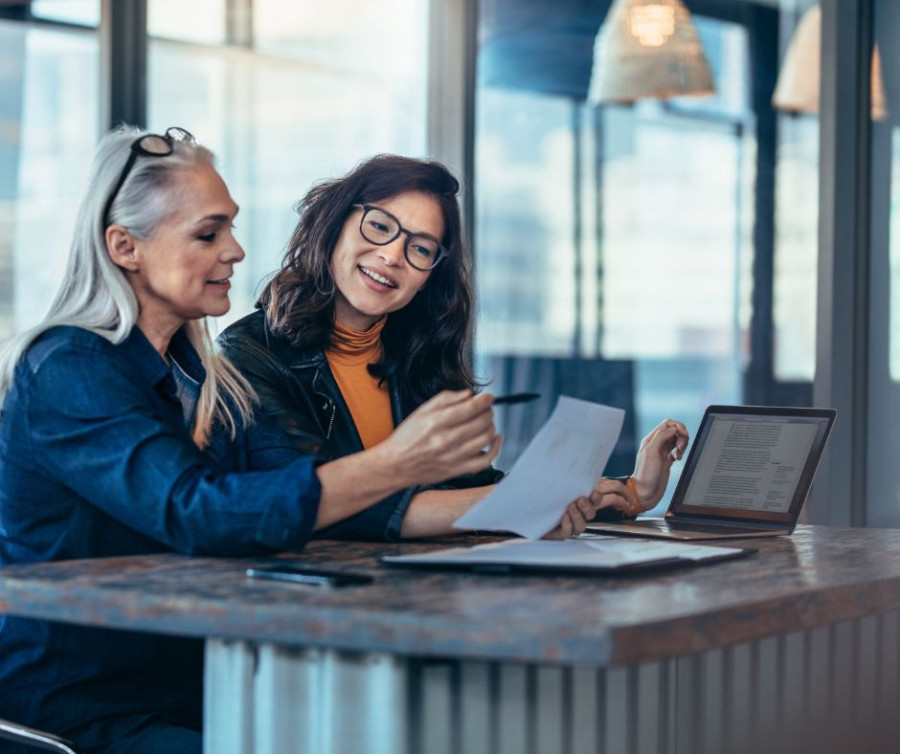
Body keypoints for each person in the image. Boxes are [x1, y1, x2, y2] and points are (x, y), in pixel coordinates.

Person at [0, 129, 505, 754]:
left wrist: (532, 509)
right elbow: (200, 512)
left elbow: (314, 492)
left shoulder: (206, 376)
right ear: (125, 246)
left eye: (232, 228)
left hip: (196, 686)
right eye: (209, 234)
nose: (236, 251)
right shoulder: (68, 368)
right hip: (86, 708)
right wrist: (399, 462)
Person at [218, 154, 688, 540]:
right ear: (335, 224)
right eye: (379, 226)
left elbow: (470, 490)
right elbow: (323, 503)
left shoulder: (415, 358)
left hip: (418, 597)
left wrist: (630, 491)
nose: (392, 256)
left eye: (420, 248)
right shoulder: (247, 356)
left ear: (429, 278)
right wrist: (529, 504)